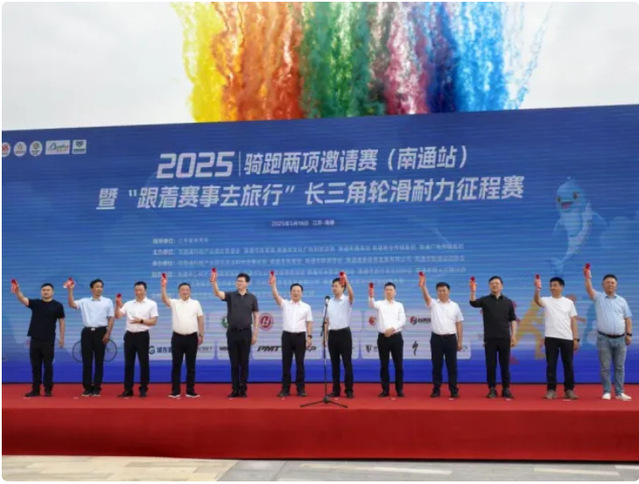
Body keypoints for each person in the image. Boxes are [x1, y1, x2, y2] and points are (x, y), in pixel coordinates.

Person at [584, 267, 633, 401]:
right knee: (605, 367)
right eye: (607, 282)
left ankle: (619, 392)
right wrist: (587, 277)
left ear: (616, 285)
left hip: (621, 339)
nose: (610, 284)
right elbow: (589, 289)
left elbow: (628, 319)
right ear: (603, 284)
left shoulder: (622, 301)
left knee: (619, 367)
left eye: (612, 282)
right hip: (603, 339)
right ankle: (606, 391)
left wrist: (629, 334)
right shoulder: (599, 298)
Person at [211, 271, 259, 398]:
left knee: (244, 363)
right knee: (234, 363)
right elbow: (217, 293)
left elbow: (256, 316)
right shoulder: (231, 295)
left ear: (247, 283)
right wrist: (214, 282)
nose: (239, 283)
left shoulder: (252, 298)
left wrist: (255, 334)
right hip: (232, 333)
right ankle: (235, 389)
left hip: (246, 333)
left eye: (241, 281)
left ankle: (243, 389)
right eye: (237, 281)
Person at [13, 281, 65, 397]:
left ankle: (48, 389)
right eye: (44, 290)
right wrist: (17, 290)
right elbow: (22, 298)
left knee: (48, 366)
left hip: (48, 340)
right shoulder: (36, 303)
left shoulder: (58, 305)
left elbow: (61, 322)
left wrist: (62, 338)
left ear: (52, 292)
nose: (46, 292)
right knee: (35, 366)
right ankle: (35, 390)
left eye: (48, 290)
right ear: (41, 292)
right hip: (35, 339)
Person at [469, 276, 517, 399]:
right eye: (492, 283)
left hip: (504, 338)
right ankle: (492, 389)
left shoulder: (508, 302)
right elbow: (473, 303)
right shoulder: (485, 300)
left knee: (505, 365)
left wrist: (513, 335)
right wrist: (473, 291)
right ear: (489, 286)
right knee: (491, 365)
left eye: (497, 283)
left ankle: (506, 388)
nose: (494, 285)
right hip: (490, 339)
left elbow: (512, 319)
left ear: (502, 286)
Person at [533, 276, 579, 400]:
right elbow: (537, 301)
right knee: (551, 365)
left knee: (568, 365)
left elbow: (573, 321)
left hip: (567, 338)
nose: (552, 288)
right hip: (551, 337)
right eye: (551, 286)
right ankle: (551, 390)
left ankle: (569, 390)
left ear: (561, 287)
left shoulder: (569, 302)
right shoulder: (546, 300)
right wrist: (537, 289)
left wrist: (575, 338)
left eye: (555, 285)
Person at [67, 278, 114, 397]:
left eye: (101, 287)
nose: (99, 289)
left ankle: (97, 388)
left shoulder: (107, 301)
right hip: (87, 333)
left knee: (99, 361)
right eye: (97, 286)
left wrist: (108, 333)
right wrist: (70, 290)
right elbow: (72, 304)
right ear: (91, 289)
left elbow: (111, 318)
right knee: (87, 361)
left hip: (101, 332)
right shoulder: (84, 301)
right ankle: (87, 388)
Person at [419, 275, 463, 398]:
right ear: (437, 292)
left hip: (451, 339)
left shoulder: (455, 306)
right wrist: (423, 286)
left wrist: (460, 341)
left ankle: (454, 390)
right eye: (439, 291)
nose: (442, 293)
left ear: (449, 291)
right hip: (436, 339)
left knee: (452, 366)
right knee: (436, 366)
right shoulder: (433, 303)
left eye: (444, 290)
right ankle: (436, 389)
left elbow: (459, 324)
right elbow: (426, 296)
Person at [270, 274, 313, 397]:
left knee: (300, 364)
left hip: (300, 337)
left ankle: (301, 389)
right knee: (286, 363)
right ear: (290, 292)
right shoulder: (285, 304)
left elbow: (309, 323)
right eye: (294, 291)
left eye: (298, 291)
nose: (296, 293)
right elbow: (276, 296)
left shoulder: (306, 307)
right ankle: (285, 389)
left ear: (302, 293)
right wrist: (273, 285)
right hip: (287, 337)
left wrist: (309, 337)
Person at [161, 276, 204, 398]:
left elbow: (200, 319)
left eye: (187, 290)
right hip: (177, 338)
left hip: (192, 338)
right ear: (179, 292)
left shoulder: (196, 303)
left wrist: (201, 334)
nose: (185, 292)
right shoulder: (175, 303)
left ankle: (190, 390)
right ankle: (175, 391)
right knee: (176, 365)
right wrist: (163, 286)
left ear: (190, 291)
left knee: (191, 366)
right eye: (183, 290)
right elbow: (164, 299)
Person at [114, 281, 159, 398]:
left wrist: (141, 320)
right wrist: (117, 304)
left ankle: (143, 388)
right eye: (136, 290)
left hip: (142, 336)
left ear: (145, 290)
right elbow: (118, 316)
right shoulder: (129, 304)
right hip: (129, 336)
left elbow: (154, 321)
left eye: (140, 290)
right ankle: (128, 389)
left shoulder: (152, 304)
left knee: (144, 363)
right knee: (129, 363)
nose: (138, 292)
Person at [369, 282, 406, 398]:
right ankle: (385, 390)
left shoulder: (399, 305)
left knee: (398, 365)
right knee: (384, 365)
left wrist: (392, 328)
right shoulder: (380, 304)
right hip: (383, 338)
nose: (389, 291)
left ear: (395, 292)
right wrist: (371, 295)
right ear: (384, 292)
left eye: (391, 289)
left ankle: (399, 389)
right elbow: (371, 304)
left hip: (396, 337)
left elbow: (402, 320)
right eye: (387, 290)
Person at [325, 273, 355, 398]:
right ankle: (335, 390)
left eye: (336, 286)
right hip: (332, 335)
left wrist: (346, 281)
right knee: (334, 364)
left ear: (342, 287)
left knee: (347, 363)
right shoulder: (329, 302)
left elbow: (352, 295)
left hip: (344, 334)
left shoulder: (347, 300)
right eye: (333, 286)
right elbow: (326, 321)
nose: (334, 288)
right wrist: (325, 337)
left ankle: (349, 390)